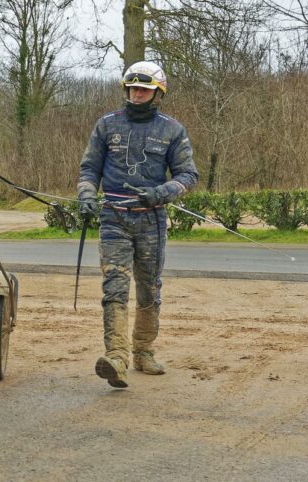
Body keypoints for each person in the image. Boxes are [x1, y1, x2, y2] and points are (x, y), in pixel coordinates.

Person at [76, 61, 199, 388]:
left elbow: (189, 175)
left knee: (149, 288)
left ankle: (143, 350)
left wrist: (161, 192)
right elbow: (89, 169)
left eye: (144, 89)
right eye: (132, 88)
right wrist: (86, 195)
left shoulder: (173, 130)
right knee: (114, 287)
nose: (137, 94)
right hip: (113, 218)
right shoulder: (105, 125)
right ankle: (116, 357)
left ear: (157, 93)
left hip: (152, 221)